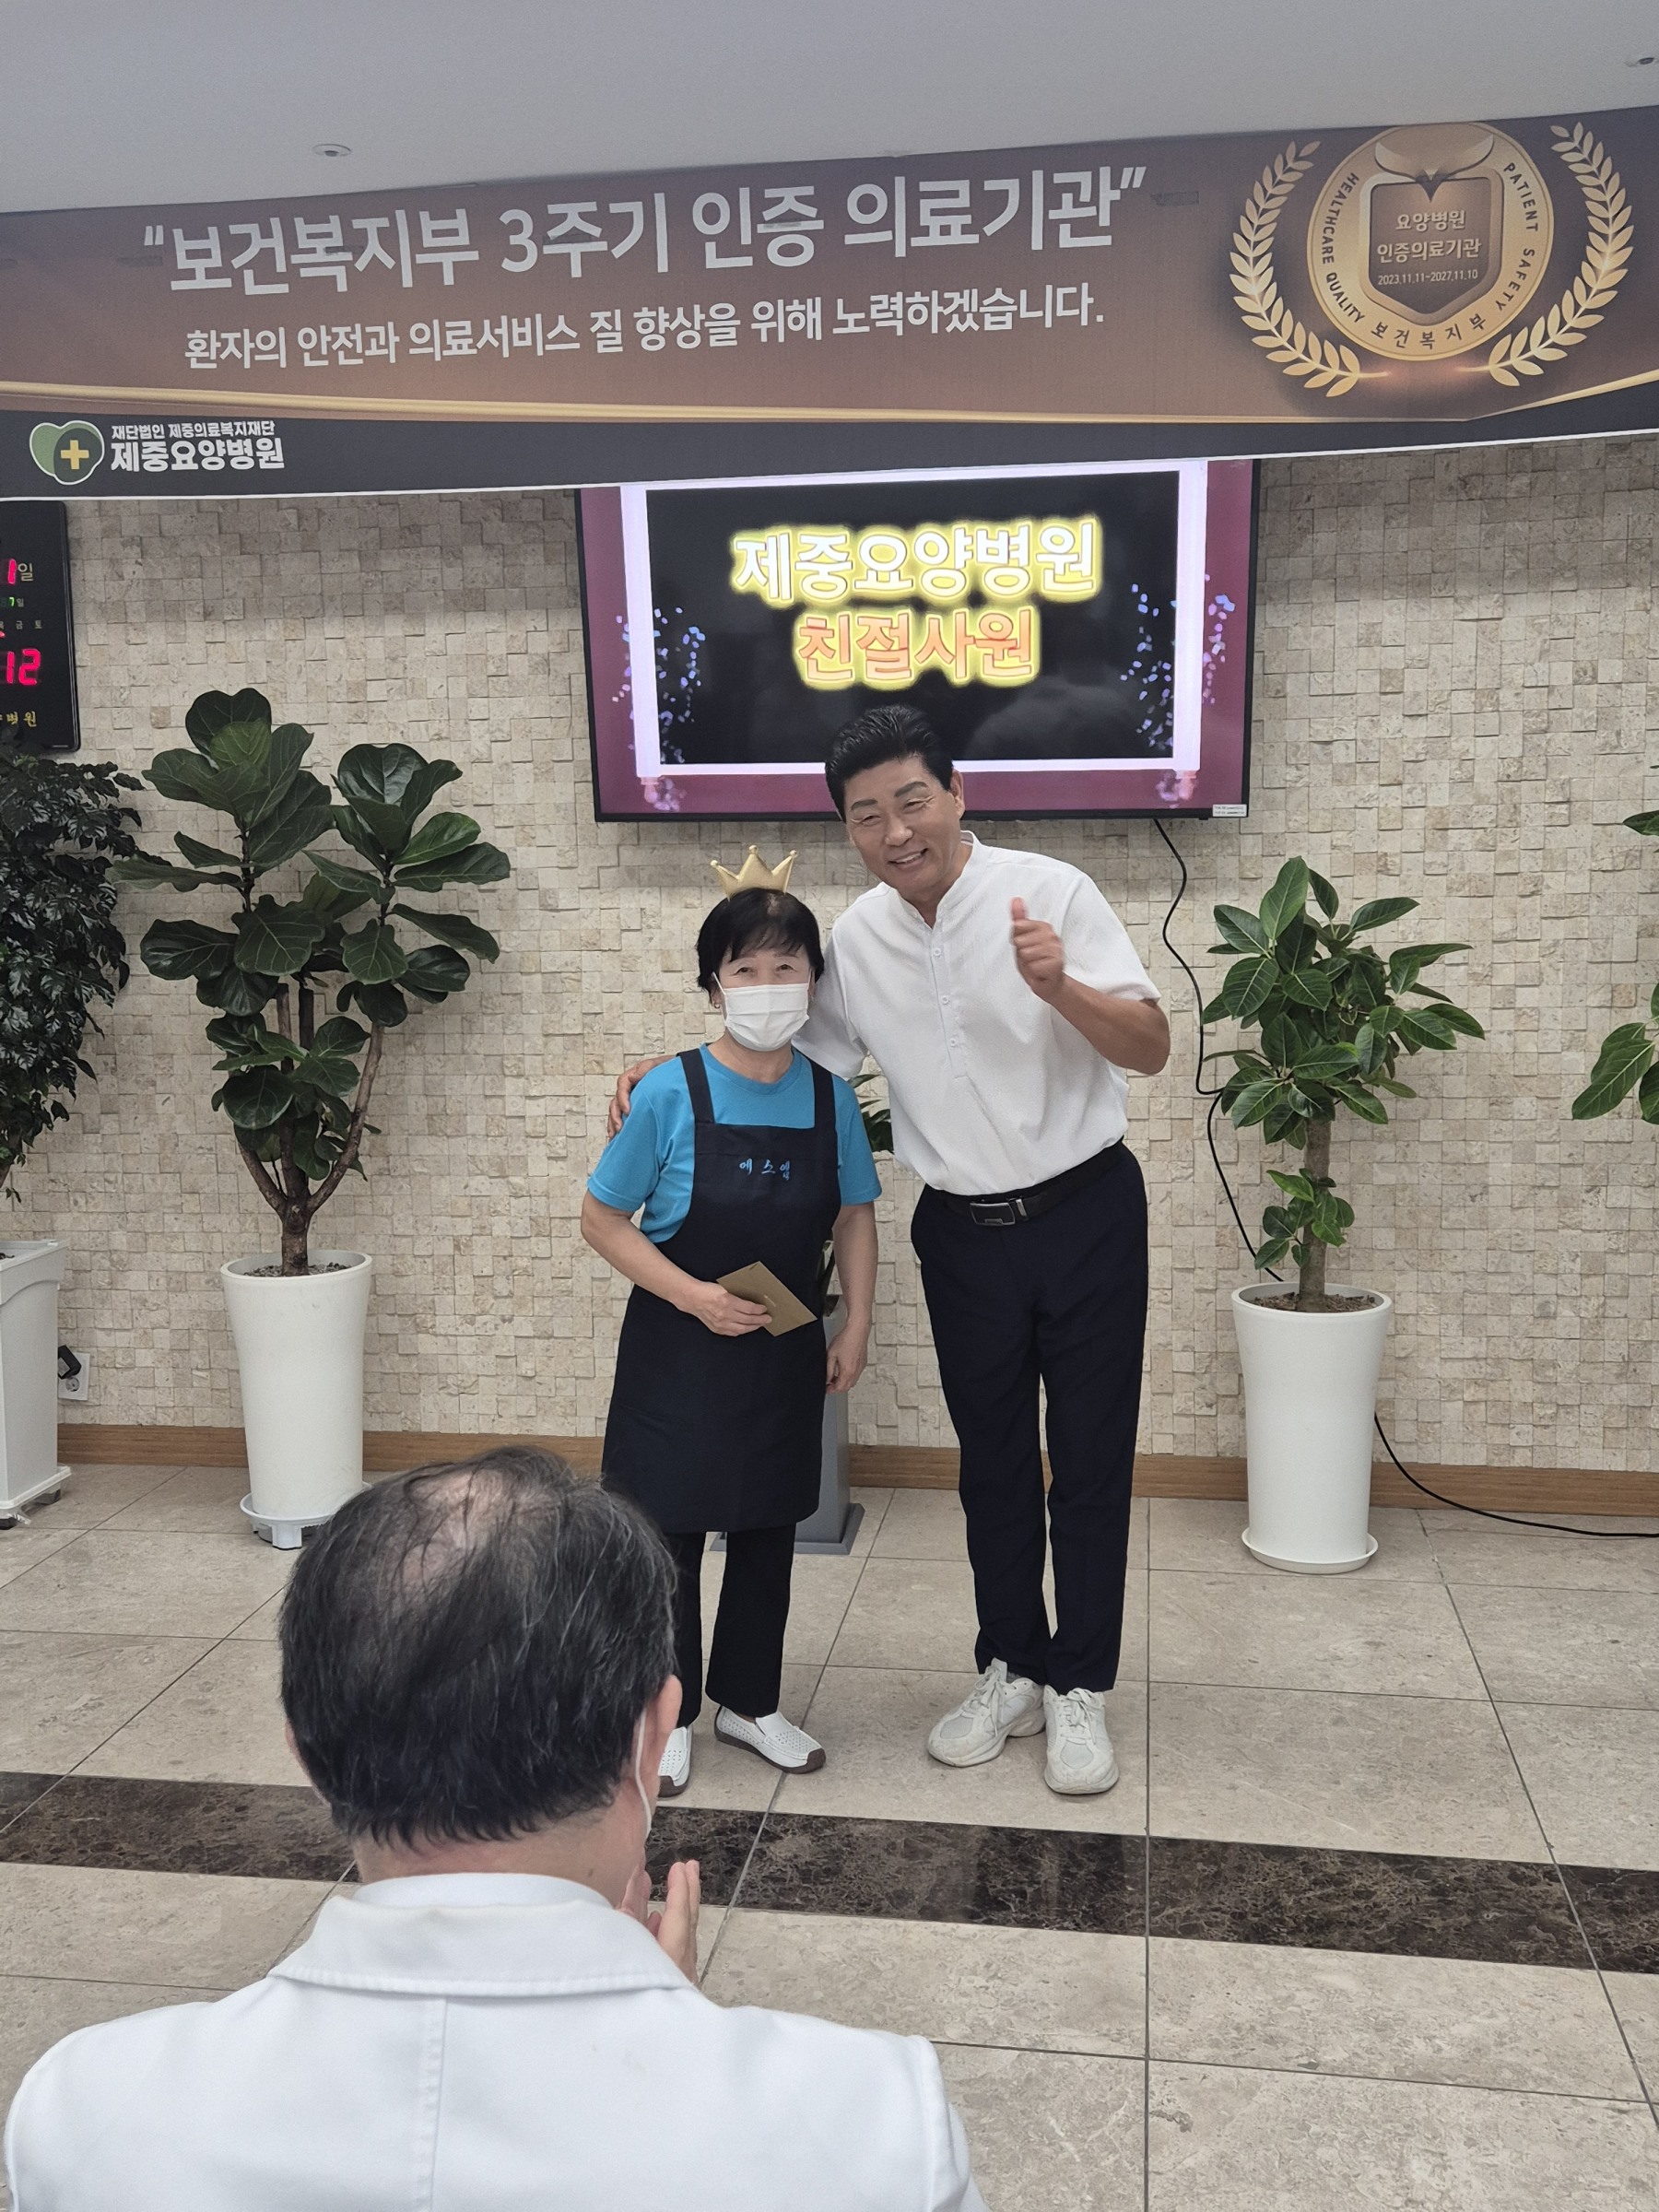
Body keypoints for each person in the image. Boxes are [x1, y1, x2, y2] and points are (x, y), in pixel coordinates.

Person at [5, 1451, 986, 2212]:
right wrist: (675, 2035)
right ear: (653, 1738)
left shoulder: (84, 2112)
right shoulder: (873, 2125)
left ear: (305, 1748)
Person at [612, 705, 1169, 1797]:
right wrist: (662, 1071)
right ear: (849, 830)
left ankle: (1079, 1685)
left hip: (1088, 1213)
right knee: (991, 1464)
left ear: (956, 795)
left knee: (1091, 1460)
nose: (895, 830)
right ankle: (1011, 1667)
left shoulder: (1050, 893)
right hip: (963, 1234)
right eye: (866, 815)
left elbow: (1149, 1048)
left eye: (912, 801)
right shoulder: (858, 940)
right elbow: (780, 1053)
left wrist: (1061, 987)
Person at [583, 875, 879, 1795]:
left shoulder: (831, 1101)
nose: (765, 986)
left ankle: (751, 1704)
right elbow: (602, 1219)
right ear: (713, 986)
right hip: (678, 1349)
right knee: (666, 1532)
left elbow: (855, 1218)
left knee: (767, 1525)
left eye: (785, 968)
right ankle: (667, 1713)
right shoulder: (666, 1092)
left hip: (782, 1348)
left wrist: (857, 1323)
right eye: (744, 970)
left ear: (813, 982)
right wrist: (694, 1298)